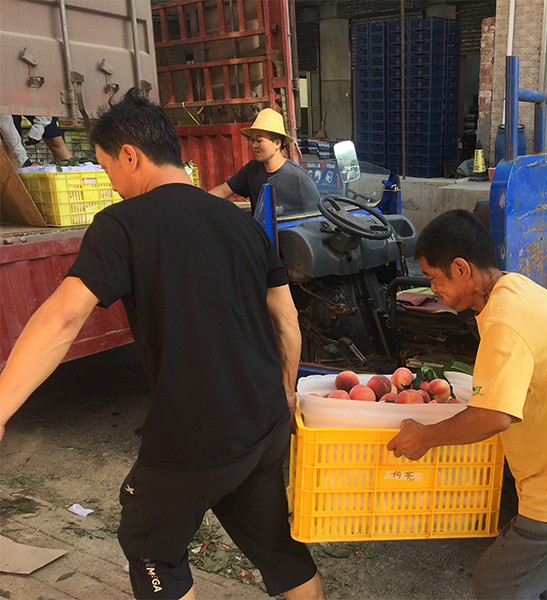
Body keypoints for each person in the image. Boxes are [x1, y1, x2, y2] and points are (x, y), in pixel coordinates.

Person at [0, 89, 325, 600]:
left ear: (130, 155)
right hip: (263, 422)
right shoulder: (242, 223)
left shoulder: (121, 224)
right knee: (278, 550)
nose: (111, 181)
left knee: (150, 546)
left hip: (195, 435)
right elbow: (286, 319)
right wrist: (286, 392)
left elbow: (63, 316)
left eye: (107, 166)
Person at [387, 210, 547, 600]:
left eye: (434, 278)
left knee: (496, 585)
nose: (433, 289)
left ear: (461, 268)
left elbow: (494, 416)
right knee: (543, 584)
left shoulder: (504, 321)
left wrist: (425, 437)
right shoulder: (518, 289)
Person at [208, 108, 319, 216]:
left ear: (277, 143)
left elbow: (316, 217)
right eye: (252, 140)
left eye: (259, 141)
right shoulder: (251, 170)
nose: (254, 145)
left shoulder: (297, 177)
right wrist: (200, 201)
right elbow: (223, 191)